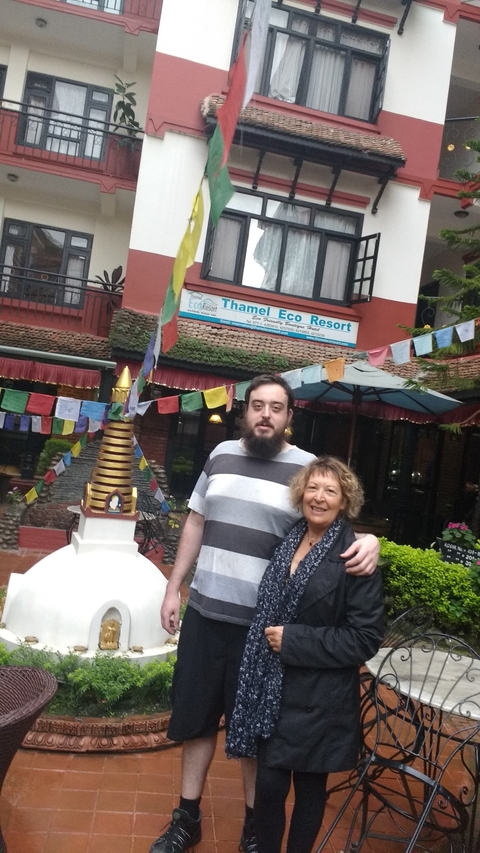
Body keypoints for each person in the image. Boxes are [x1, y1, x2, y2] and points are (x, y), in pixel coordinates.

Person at [150, 374, 380, 853]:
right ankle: (186, 817)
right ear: (245, 410)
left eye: (277, 407)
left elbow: (330, 524)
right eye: (258, 405)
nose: (266, 415)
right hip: (206, 615)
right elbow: (196, 520)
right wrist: (174, 587)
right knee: (195, 722)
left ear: (289, 417)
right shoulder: (219, 456)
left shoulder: (305, 470)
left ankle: (257, 828)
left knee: (254, 732)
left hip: (262, 633)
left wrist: (371, 542)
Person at [226, 456, 384, 853]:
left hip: (320, 697)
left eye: (330, 490)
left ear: (345, 500)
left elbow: (365, 638)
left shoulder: (356, 556)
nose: (319, 497)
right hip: (273, 691)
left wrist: (295, 641)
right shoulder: (290, 538)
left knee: (310, 791)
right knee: (269, 788)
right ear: (301, 493)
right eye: (313, 488)